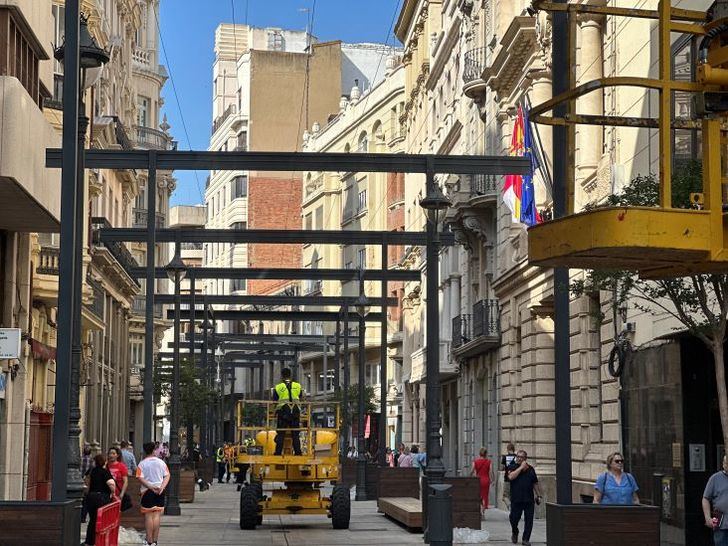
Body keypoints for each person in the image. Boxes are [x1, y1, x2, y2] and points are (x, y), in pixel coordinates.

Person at [136, 441, 171, 546]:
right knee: (156, 516)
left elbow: (139, 477)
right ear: (153, 450)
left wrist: (149, 486)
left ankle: (149, 540)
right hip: (160, 490)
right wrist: (162, 487)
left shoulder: (142, 464)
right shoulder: (161, 462)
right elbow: (167, 475)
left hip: (147, 491)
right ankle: (155, 541)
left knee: (148, 516)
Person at [507, 450, 543, 546]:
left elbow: (535, 483)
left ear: (525, 459)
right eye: (517, 456)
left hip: (528, 499)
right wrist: (521, 468)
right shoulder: (512, 467)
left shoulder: (531, 469)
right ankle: (515, 531)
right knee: (513, 518)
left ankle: (525, 539)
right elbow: (510, 477)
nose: (518, 458)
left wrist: (539, 495)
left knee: (529, 520)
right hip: (516, 499)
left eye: (521, 457)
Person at [83, 453, 116, 546]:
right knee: (102, 520)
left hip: (91, 497)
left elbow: (86, 481)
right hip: (102, 498)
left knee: (92, 520)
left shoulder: (91, 471)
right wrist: (113, 492)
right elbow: (111, 484)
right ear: (104, 462)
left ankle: (89, 541)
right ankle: (100, 541)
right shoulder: (104, 472)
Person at [272, 367, 303, 456]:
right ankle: (298, 452)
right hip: (295, 412)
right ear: (290, 375)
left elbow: (275, 400)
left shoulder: (278, 387)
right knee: (295, 434)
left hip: (283, 412)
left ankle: (278, 453)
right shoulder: (297, 386)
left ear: (282, 376)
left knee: (281, 433)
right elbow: (300, 396)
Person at [703, 454, 728, 545]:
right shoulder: (715, 478)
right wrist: (707, 517)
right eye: (726, 463)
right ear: (723, 464)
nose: (727, 465)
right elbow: (705, 498)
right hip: (720, 522)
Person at [471, 447, 495, 516]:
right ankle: (483, 511)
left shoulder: (475, 461)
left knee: (479, 496)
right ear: (486, 454)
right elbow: (491, 471)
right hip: (486, 480)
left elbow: (472, 470)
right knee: (485, 496)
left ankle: (480, 510)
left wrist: (469, 476)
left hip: (478, 480)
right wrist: (493, 480)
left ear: (480, 454)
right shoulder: (489, 462)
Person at [80, 444, 94, 523]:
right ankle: (83, 517)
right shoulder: (92, 460)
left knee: (81, 500)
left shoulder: (80, 458)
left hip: (79, 480)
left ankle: (80, 516)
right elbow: (91, 471)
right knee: (86, 501)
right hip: (87, 482)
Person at [501, 442, 517, 508]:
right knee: (513, 495)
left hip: (507, 479)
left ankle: (509, 505)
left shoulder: (505, 457)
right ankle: (513, 508)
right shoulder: (516, 457)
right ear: (513, 449)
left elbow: (502, 468)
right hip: (515, 479)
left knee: (505, 496)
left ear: (507, 449)